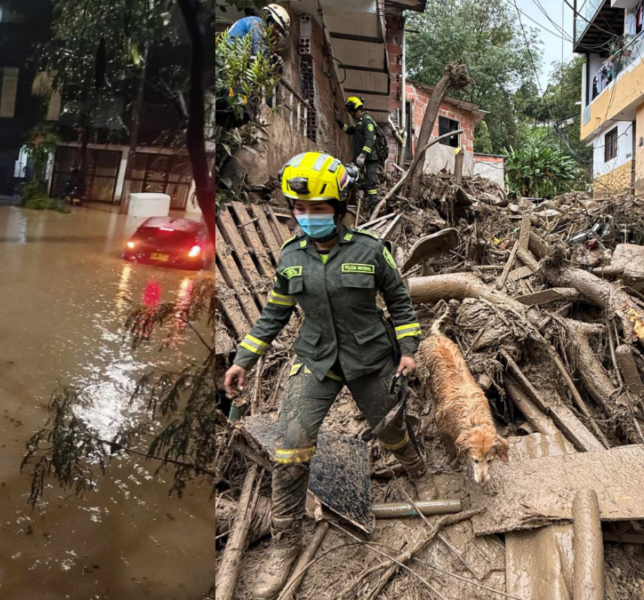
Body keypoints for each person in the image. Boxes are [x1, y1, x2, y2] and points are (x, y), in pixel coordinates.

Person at [223, 151, 434, 599]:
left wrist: (409, 351)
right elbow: (273, 315)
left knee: (390, 428)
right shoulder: (290, 257)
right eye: (299, 209)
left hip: (370, 357)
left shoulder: (370, 251)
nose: (307, 217)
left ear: (338, 209)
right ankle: (286, 542)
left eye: (317, 208)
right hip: (315, 359)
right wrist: (243, 359)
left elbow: (400, 304)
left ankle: (415, 466)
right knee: (290, 447)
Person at [216, 4, 291, 129]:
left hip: (234, 73)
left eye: (280, 31)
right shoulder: (256, 23)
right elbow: (260, 53)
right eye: (277, 27)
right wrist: (272, 63)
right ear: (268, 19)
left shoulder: (259, 32)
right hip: (227, 68)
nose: (277, 33)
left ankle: (251, 110)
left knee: (271, 84)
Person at [336, 96, 386, 215]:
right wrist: (339, 121)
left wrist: (363, 155)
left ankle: (373, 210)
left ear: (355, 109)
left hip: (369, 159)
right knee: (354, 180)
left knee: (371, 185)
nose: (351, 114)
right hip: (359, 159)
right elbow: (349, 130)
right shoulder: (359, 123)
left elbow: (370, 140)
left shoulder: (367, 121)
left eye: (351, 112)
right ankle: (354, 205)